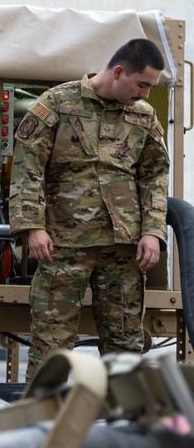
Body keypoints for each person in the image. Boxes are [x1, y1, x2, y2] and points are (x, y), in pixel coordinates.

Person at [9, 38, 169, 381]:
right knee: (52, 344)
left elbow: (156, 176)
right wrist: (32, 227)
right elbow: (27, 168)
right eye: (142, 85)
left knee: (125, 345)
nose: (145, 95)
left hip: (123, 251)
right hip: (63, 246)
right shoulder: (57, 104)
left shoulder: (144, 117)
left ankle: (123, 426)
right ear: (118, 71)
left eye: (151, 87)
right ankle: (42, 423)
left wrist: (153, 232)